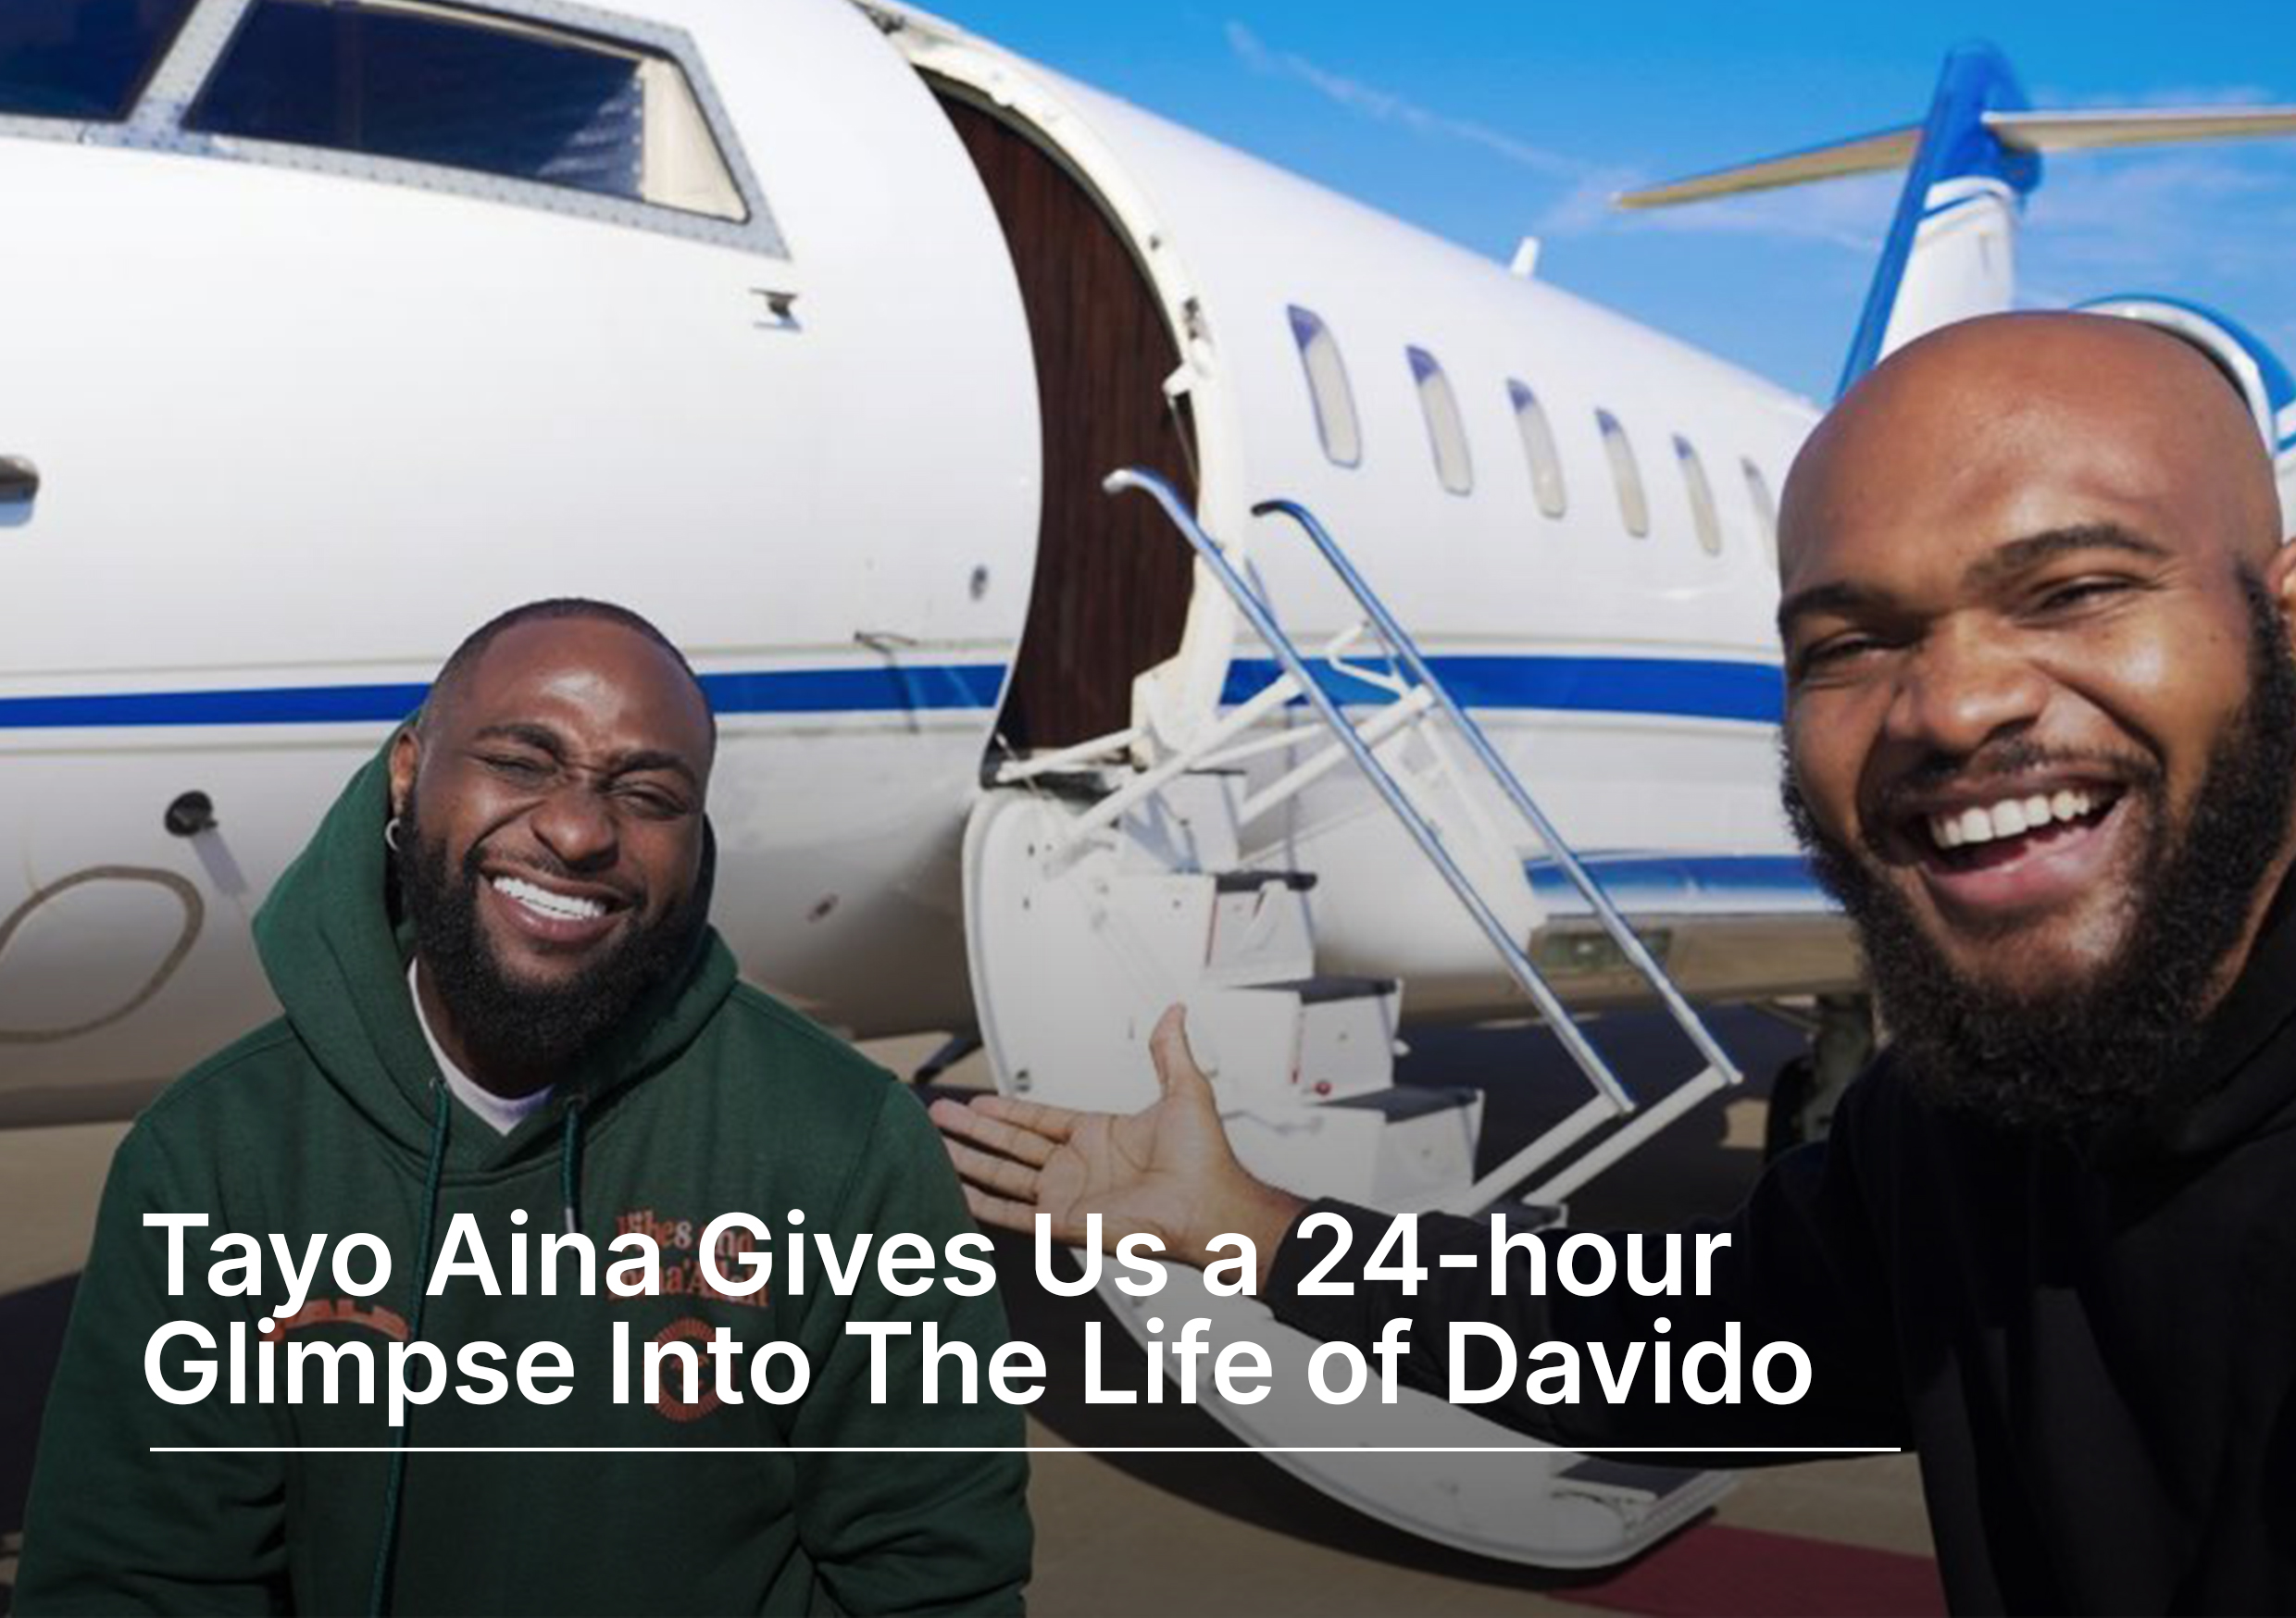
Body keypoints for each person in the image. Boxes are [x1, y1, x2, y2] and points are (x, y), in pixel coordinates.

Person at [934, 312, 2296, 1613]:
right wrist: (1265, 1237)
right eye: (1849, 644)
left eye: (2074, 590)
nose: (1950, 707)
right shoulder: (1959, 1129)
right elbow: (1684, 1349)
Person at [19, 600, 1030, 1615]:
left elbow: (934, 1580)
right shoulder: (217, 1156)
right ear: (409, 769)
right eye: (520, 762)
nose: (580, 830)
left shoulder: (841, 1147)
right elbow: (136, 1580)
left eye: (648, 792)